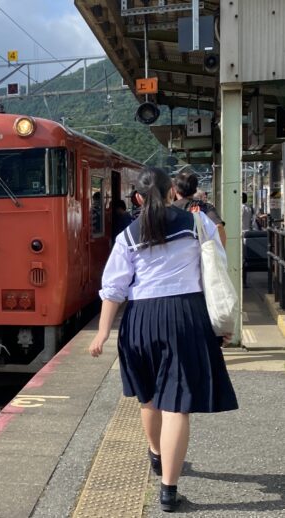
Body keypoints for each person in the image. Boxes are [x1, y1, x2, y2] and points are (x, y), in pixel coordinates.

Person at [89, 168, 238, 513]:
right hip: (185, 317)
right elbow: (216, 270)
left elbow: (114, 288)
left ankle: (156, 454)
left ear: (138, 198)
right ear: (172, 191)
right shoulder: (197, 224)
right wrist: (222, 322)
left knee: (148, 399)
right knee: (177, 406)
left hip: (140, 320)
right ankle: (168, 492)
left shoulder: (128, 234)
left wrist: (102, 333)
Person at [172, 172, 227, 247]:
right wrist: (219, 251)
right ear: (195, 189)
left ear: (175, 189)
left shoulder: (170, 209)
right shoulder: (205, 207)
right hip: (200, 255)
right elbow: (219, 227)